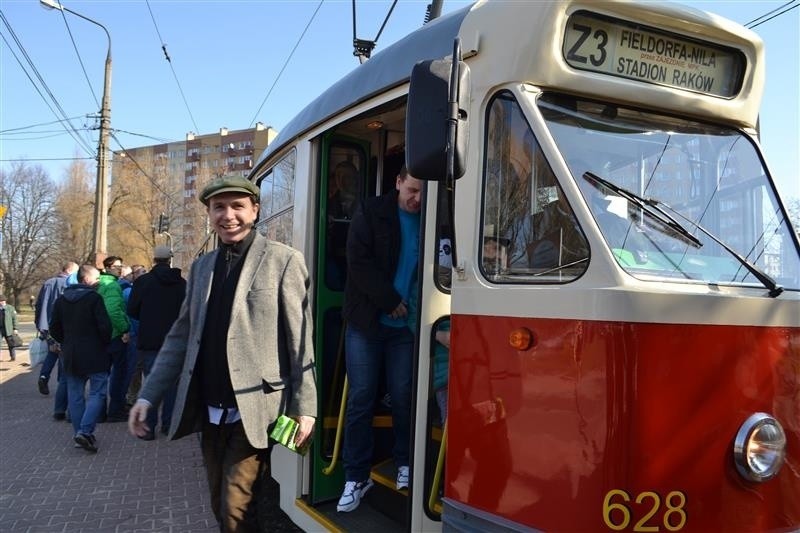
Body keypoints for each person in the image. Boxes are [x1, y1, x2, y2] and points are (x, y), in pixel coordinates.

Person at [128, 175, 317, 532]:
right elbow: (180, 337)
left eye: (237, 206)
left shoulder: (284, 260)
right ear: (209, 213)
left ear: (255, 210)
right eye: (219, 207)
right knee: (220, 502)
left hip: (256, 409)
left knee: (235, 507)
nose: (228, 215)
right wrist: (148, 395)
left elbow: (300, 340)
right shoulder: (201, 268)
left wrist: (304, 407)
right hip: (208, 407)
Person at [338, 167, 422, 512]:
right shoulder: (371, 211)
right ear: (398, 182)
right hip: (367, 323)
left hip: (406, 328)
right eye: (412, 190)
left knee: (403, 396)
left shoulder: (436, 217)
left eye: (423, 193)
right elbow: (357, 263)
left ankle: (405, 462)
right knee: (361, 398)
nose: (417, 199)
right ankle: (355, 476)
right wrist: (391, 301)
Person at [49, 264, 113, 453]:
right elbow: (105, 326)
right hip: (94, 352)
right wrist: (104, 342)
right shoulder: (94, 298)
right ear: (86, 280)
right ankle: (85, 431)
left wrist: (66, 341)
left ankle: (79, 433)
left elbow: (55, 328)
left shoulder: (61, 301)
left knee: (75, 396)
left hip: (70, 353)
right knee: (97, 393)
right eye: (96, 278)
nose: (98, 281)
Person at [126, 245, 186, 440]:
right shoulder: (181, 283)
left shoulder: (143, 282)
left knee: (151, 381)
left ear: (154, 260)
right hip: (175, 340)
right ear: (170, 260)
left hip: (149, 339)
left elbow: (132, 309)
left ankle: (149, 427)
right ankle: (168, 425)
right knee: (172, 385)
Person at [35, 261, 79, 419]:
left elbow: (39, 305)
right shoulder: (68, 284)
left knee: (52, 353)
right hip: (61, 327)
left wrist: (39, 325)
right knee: (63, 361)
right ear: (70, 271)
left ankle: (43, 377)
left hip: (46, 325)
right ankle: (62, 394)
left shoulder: (48, 282)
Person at [98, 255, 131, 422]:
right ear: (108, 268)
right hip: (114, 336)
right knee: (118, 375)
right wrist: (125, 328)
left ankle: (99, 411)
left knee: (101, 376)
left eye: (121, 265)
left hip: (100, 337)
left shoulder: (99, 283)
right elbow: (113, 312)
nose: (120, 268)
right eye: (117, 266)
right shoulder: (112, 285)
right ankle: (115, 411)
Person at [0, 295, 19, 362]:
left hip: (8, 329)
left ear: (5, 301)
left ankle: (13, 357)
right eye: (0, 301)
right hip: (0, 329)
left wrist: (15, 328)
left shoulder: (10, 308)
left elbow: (15, 319)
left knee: (11, 344)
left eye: (2, 301)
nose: (1, 302)